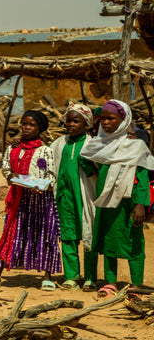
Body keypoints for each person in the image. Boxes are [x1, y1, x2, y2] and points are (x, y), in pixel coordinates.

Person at [79, 99, 153, 294]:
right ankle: (110, 282)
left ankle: (136, 283)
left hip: (128, 203)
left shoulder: (135, 146)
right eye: (102, 118)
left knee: (133, 239)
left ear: (123, 120)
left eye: (111, 118)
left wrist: (140, 204)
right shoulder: (100, 145)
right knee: (107, 239)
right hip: (105, 201)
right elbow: (84, 158)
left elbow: (142, 176)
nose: (105, 122)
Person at [0, 111, 62, 290]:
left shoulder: (46, 151)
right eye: (24, 124)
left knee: (44, 235)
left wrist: (42, 186)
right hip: (19, 199)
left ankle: (47, 276)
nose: (26, 128)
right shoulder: (13, 149)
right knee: (11, 233)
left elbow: (51, 175)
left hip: (40, 200)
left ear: (40, 128)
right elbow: (5, 167)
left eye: (32, 125)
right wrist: (11, 175)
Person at [50, 103, 98, 290]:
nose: (70, 124)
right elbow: (44, 159)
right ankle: (71, 276)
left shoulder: (93, 144)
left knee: (89, 234)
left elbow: (101, 170)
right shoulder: (59, 143)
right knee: (68, 235)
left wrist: (88, 165)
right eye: (68, 120)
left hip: (86, 196)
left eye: (75, 121)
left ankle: (91, 277)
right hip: (64, 197)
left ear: (86, 123)